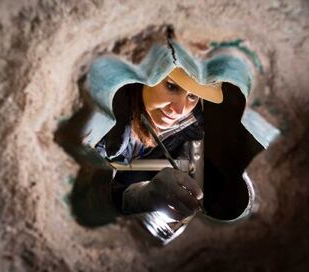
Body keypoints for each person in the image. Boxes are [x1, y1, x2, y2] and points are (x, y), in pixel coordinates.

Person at [91, 67, 223, 223]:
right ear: (146, 75)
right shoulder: (104, 129)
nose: (179, 110)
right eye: (171, 86)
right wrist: (141, 197)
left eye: (192, 96)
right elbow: (89, 196)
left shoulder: (191, 119)